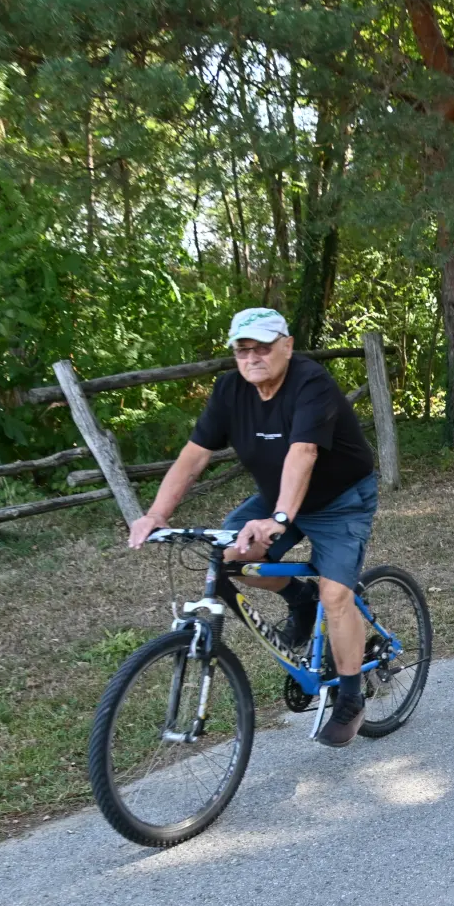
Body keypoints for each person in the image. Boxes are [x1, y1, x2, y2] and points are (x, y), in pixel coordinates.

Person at [128, 308, 380, 747]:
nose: (252, 357)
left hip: (340, 500)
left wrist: (280, 519)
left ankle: (351, 696)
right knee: (226, 561)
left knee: (336, 593)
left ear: (287, 344)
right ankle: (298, 599)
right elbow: (193, 457)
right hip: (275, 495)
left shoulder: (309, 382)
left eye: (263, 347)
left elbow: (303, 453)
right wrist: (156, 514)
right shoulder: (230, 391)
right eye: (243, 349)